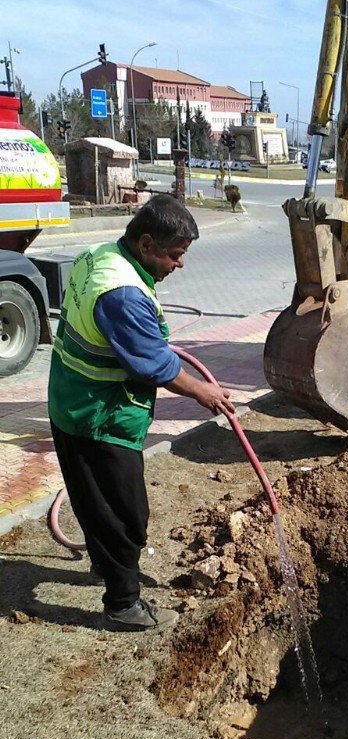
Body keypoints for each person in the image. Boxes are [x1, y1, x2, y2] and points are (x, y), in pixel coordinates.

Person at [48, 194, 234, 632]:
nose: (180, 265)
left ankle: (107, 566)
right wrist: (202, 392)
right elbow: (153, 365)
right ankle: (123, 605)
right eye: (175, 255)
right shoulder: (123, 294)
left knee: (95, 502)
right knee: (126, 515)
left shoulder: (102, 254)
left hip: (71, 400)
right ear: (147, 243)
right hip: (100, 415)